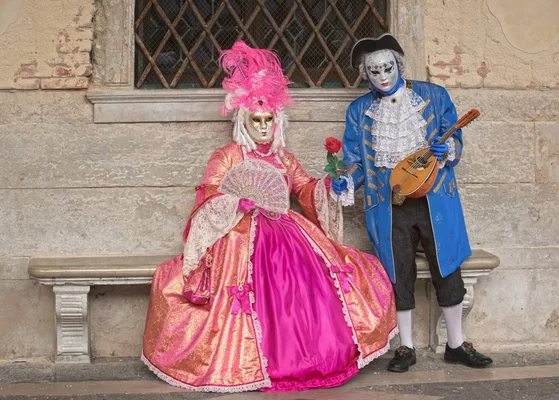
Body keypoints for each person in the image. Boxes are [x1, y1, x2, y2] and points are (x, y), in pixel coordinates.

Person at [141, 41, 398, 393]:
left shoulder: (284, 159)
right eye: (256, 120)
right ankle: (251, 361)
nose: (263, 127)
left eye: (268, 120)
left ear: (278, 122)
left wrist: (329, 185)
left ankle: (305, 358)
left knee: (309, 290)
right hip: (238, 238)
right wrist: (236, 203)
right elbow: (209, 192)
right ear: (243, 121)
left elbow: (305, 190)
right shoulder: (227, 155)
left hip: (286, 235)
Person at [333, 34, 493, 373]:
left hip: (435, 198)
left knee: (446, 265)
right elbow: (354, 160)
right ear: (366, 74)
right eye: (374, 71)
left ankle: (456, 344)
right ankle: (405, 347)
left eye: (387, 68)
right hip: (387, 203)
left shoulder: (433, 96)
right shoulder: (359, 111)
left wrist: (447, 151)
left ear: (398, 65)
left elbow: (455, 136)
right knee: (397, 270)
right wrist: (346, 180)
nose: (382, 76)